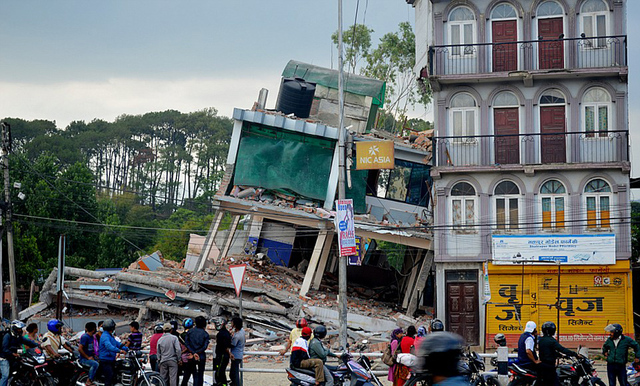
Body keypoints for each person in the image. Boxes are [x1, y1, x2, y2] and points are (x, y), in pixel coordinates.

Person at [538, 321, 580, 386]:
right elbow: (562, 349)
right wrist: (575, 354)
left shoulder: (541, 340)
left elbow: (549, 351)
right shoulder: (551, 341)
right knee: (556, 383)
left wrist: (561, 356)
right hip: (549, 366)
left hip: (543, 365)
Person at [0, 320, 38, 386]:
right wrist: (12, 353)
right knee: (5, 376)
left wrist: (38, 346)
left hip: (14, 357)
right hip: (5, 358)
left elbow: (28, 342)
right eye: (18, 329)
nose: (20, 330)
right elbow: (4, 349)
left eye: (20, 329)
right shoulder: (7, 336)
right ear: (14, 328)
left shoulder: (18, 337)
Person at [99, 319, 129, 386]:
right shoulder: (105, 336)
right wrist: (120, 351)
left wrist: (126, 348)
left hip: (111, 359)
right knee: (109, 377)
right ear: (112, 328)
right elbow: (109, 346)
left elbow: (117, 343)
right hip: (106, 360)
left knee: (116, 374)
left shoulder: (110, 336)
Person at [185, 316, 209, 386]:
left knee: (194, 373)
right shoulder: (205, 334)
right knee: (201, 374)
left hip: (191, 355)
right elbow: (205, 346)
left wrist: (193, 352)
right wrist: (198, 352)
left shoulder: (190, 332)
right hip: (201, 355)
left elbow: (187, 343)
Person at [78, 322, 100, 386]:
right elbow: (80, 349)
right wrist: (88, 357)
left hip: (91, 357)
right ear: (93, 329)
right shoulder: (85, 337)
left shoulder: (92, 337)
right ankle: (89, 380)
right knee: (95, 364)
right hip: (84, 359)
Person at [213, 317, 231, 386]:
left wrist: (229, 353)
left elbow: (226, 346)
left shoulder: (222, 334)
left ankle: (223, 384)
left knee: (219, 372)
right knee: (220, 371)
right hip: (222, 355)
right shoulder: (225, 333)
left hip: (222, 355)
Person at [229, 317, 246, 386]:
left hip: (235, 355)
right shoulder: (242, 331)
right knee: (234, 373)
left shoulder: (237, 336)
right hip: (239, 354)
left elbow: (232, 344)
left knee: (234, 374)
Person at [180, 318, 195, 386]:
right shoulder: (194, 334)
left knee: (186, 375)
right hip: (194, 356)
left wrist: (182, 352)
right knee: (195, 375)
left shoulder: (181, 335)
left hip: (184, 357)